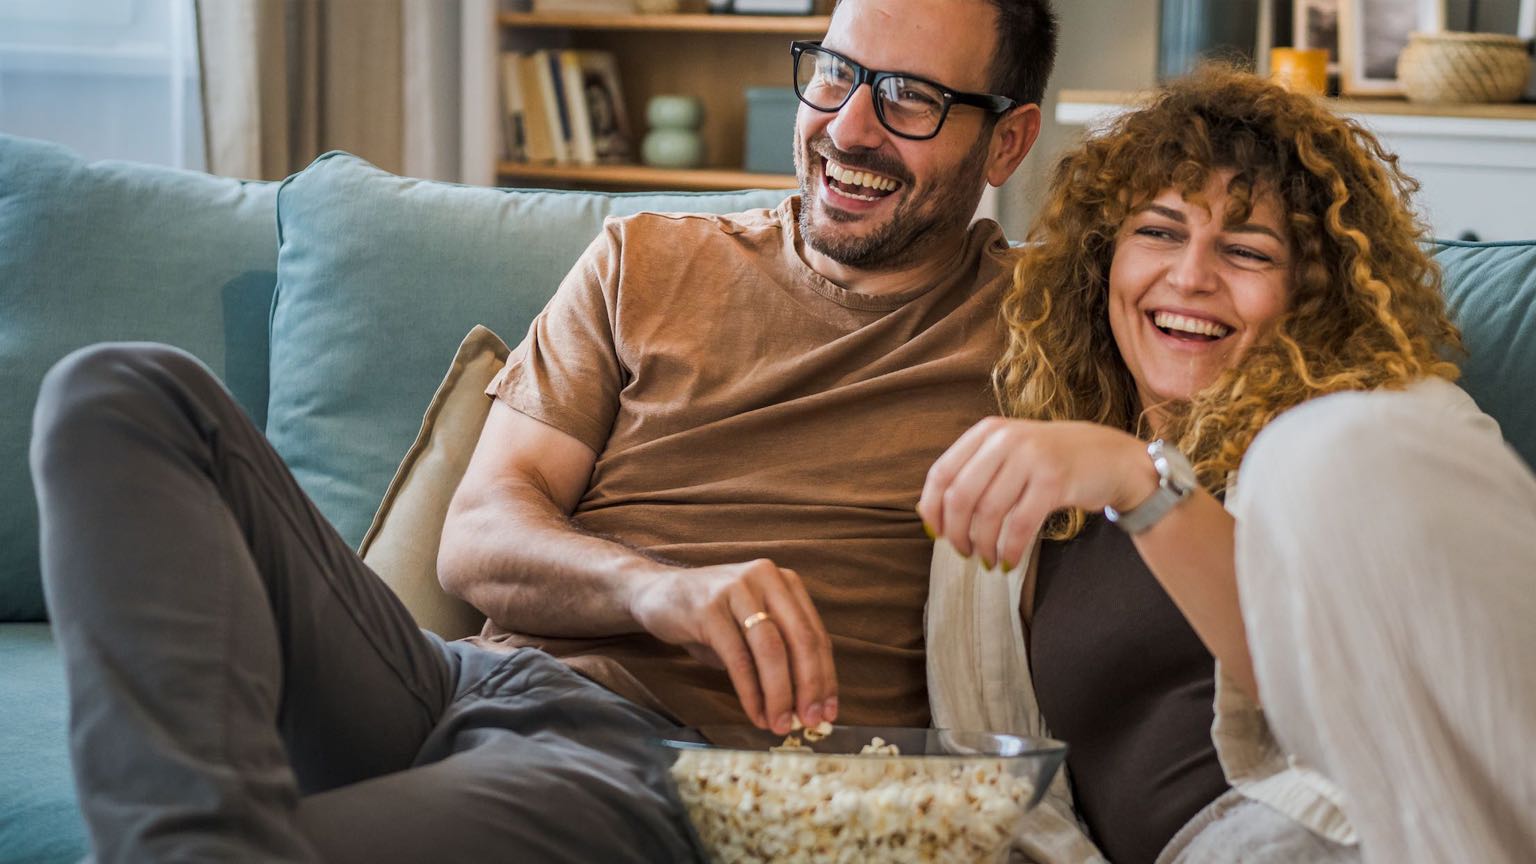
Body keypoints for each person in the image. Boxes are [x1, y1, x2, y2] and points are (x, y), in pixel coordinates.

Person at [29, 0, 1056, 860]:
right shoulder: (643, 260)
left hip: (653, 762)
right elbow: (478, 538)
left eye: (911, 98)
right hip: (453, 679)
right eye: (835, 72)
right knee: (120, 391)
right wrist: (658, 590)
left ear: (1008, 139)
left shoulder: (1046, 336)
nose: (848, 126)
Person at [920, 65, 1536, 864]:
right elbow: (996, 785)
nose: (1189, 277)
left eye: (1245, 250)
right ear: (1104, 257)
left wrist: (1143, 481)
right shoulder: (1033, 473)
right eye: (1159, 231)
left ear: (1312, 288)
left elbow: (1393, 723)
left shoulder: (1382, 440)